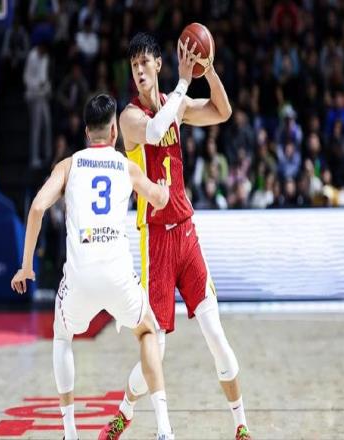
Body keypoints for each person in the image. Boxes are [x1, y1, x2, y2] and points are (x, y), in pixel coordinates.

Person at [99, 33, 252, 440]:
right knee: (158, 348)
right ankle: (126, 409)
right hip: (155, 240)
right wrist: (184, 83)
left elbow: (223, 111)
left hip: (186, 232)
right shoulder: (129, 118)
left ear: (158, 65)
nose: (139, 71)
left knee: (215, 334)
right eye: (133, 66)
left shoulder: (176, 103)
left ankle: (241, 425)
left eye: (144, 63)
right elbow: (153, 132)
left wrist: (209, 70)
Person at [11, 94, 175, 440]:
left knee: (62, 336)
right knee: (149, 333)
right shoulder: (126, 166)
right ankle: (164, 428)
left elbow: (37, 209)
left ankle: (71, 432)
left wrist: (26, 267)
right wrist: (163, 189)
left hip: (80, 279)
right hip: (118, 276)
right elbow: (159, 200)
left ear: (87, 132)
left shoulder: (68, 166)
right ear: (114, 131)